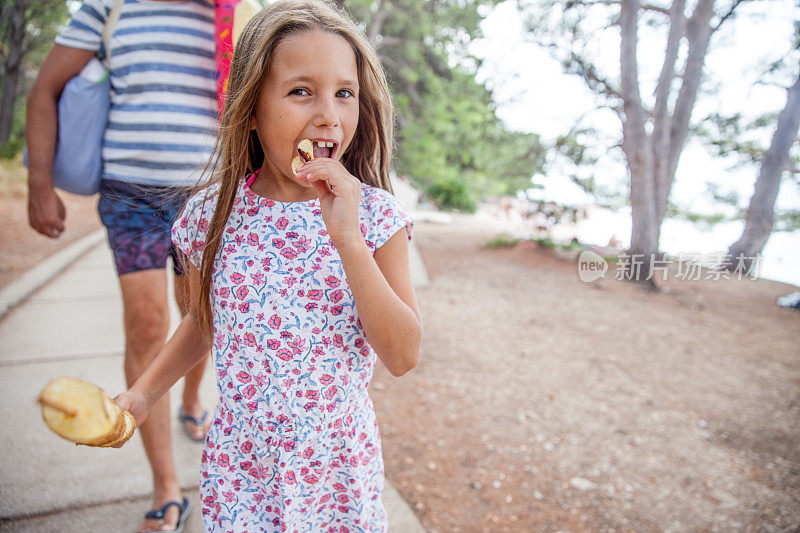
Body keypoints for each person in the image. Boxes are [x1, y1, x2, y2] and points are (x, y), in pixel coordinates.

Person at [114, 0, 423, 530]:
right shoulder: (208, 215)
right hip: (242, 469)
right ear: (252, 110)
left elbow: (402, 355)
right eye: (302, 90)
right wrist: (144, 392)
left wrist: (347, 239)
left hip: (335, 470)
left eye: (344, 93)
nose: (328, 114)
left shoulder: (376, 218)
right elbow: (201, 324)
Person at [25, 0, 217, 530]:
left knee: (201, 316)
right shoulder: (110, 7)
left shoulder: (234, 8)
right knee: (147, 326)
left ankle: (193, 397)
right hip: (130, 197)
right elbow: (45, 87)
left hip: (209, 196)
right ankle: (167, 483)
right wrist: (38, 185)